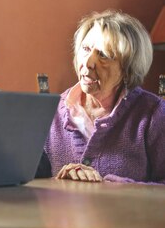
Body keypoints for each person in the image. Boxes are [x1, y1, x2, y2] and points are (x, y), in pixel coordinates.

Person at [40, 10, 165, 184]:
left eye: (104, 55)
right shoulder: (51, 112)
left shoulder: (152, 113)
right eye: (86, 49)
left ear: (128, 69)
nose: (88, 62)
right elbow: (32, 182)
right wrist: (61, 179)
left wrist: (109, 187)